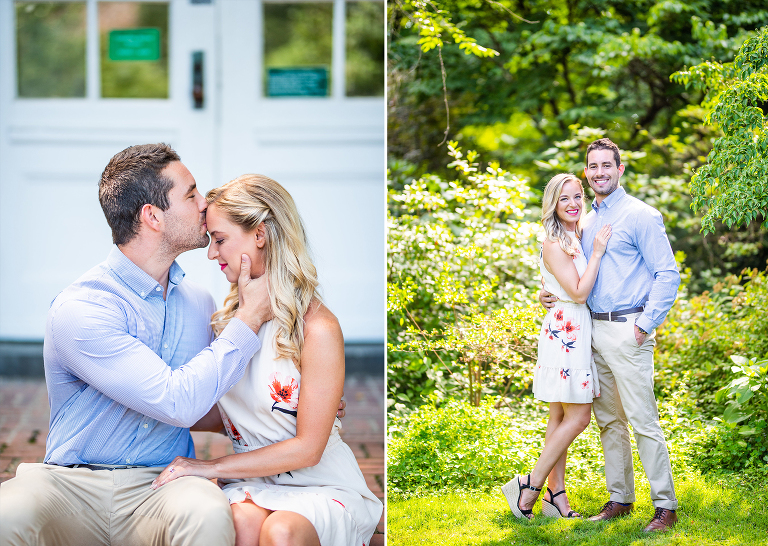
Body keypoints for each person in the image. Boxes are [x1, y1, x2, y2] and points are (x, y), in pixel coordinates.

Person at [0, 144, 342, 546]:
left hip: (164, 482)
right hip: (71, 482)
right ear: (152, 216)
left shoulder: (200, 305)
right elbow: (177, 401)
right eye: (191, 194)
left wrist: (299, 403)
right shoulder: (82, 308)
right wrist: (249, 318)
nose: (204, 204)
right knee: (8, 513)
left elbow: (212, 400)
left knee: (209, 514)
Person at [149, 174, 383, 546]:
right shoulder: (229, 324)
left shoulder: (318, 328)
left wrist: (209, 467)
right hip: (251, 481)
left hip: (318, 481)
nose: (211, 253)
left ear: (260, 235)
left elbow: (308, 449)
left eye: (219, 239)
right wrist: (147, 404)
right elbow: (222, 415)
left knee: (281, 532)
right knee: (240, 524)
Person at [539, 138, 681, 532]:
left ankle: (665, 506)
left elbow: (667, 274)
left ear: (620, 169)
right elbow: (572, 271)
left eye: (607, 165)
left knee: (643, 421)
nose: (599, 172)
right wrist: (546, 292)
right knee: (609, 421)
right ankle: (620, 498)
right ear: (586, 172)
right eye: (593, 166)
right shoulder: (584, 220)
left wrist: (645, 325)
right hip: (591, 330)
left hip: (628, 329)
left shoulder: (641, 215)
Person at [502, 174, 611, 520]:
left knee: (559, 415)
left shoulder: (576, 234)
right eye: (564, 199)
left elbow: (555, 282)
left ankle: (556, 492)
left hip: (573, 325)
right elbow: (578, 292)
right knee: (579, 418)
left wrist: (546, 290)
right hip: (567, 332)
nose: (573, 204)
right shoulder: (554, 241)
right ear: (553, 204)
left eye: (578, 196)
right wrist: (597, 254)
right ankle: (530, 485)